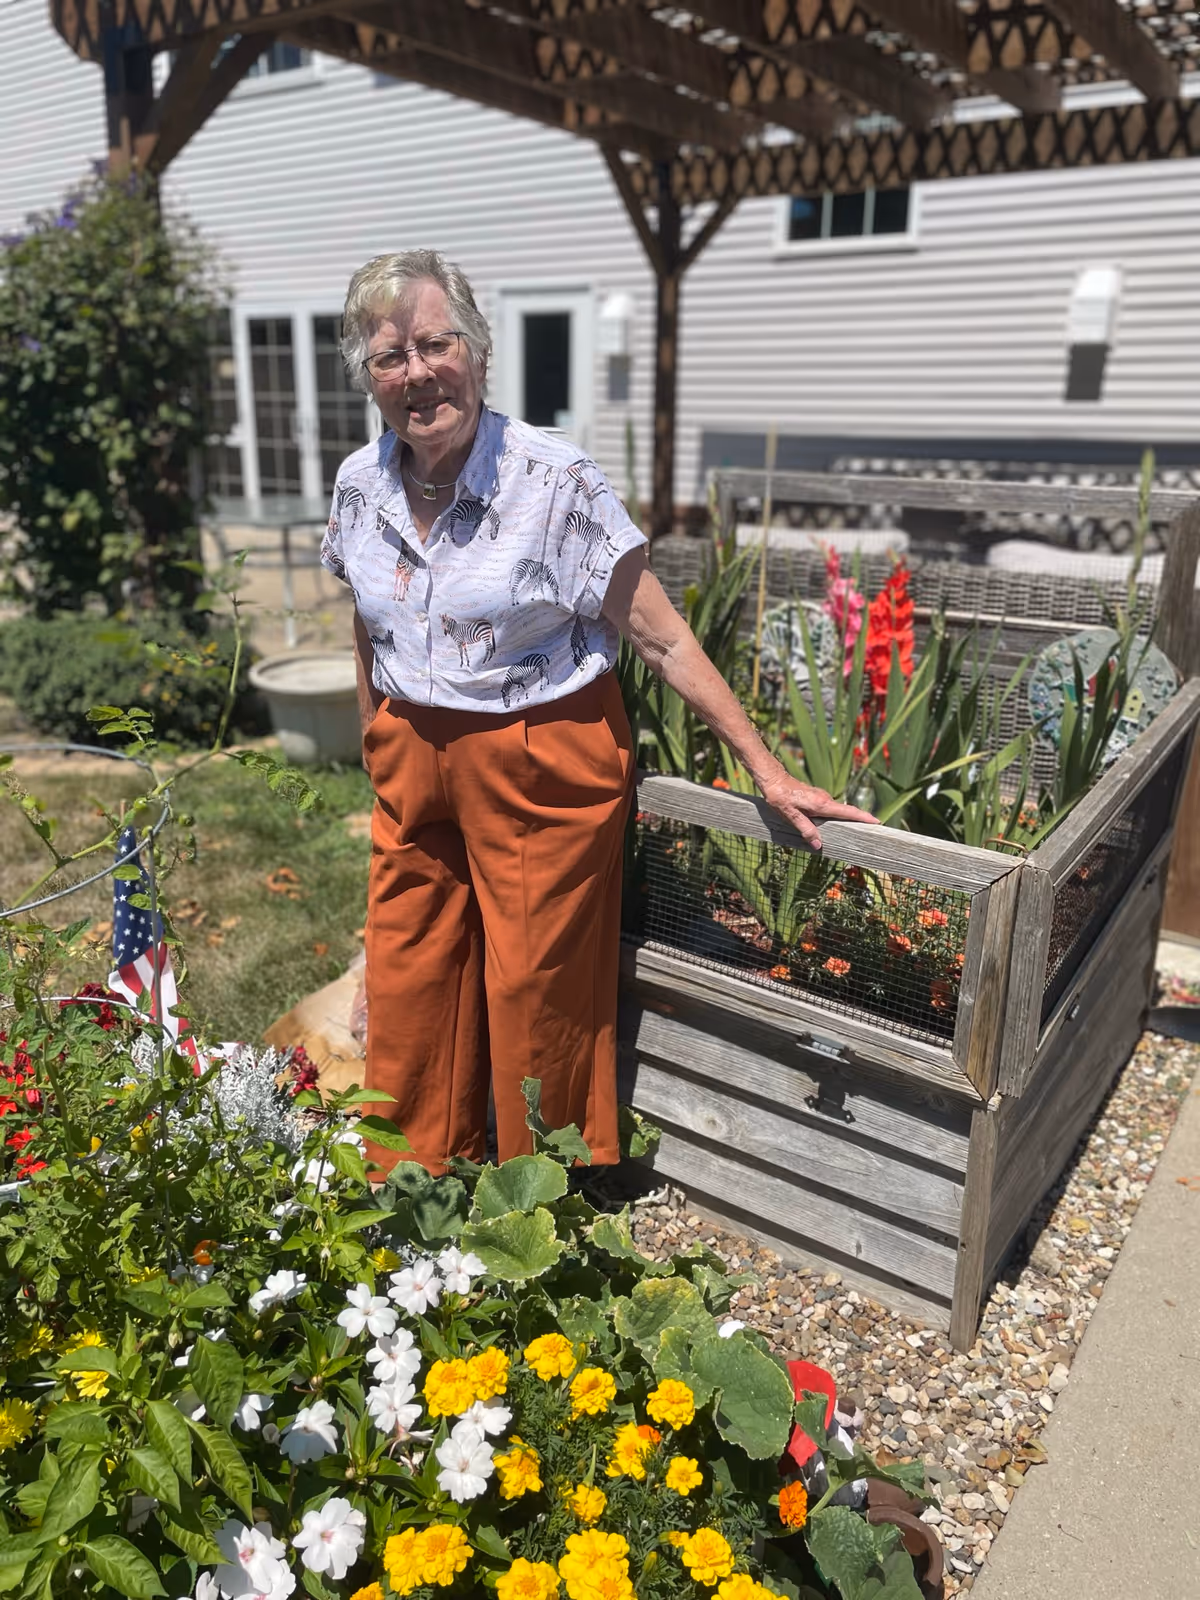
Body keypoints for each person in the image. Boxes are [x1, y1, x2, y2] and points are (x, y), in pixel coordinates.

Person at [321, 249, 876, 1175]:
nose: (417, 373)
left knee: (536, 988)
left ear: (478, 350)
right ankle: (411, 1191)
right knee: (409, 969)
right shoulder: (359, 485)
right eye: (389, 357)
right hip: (412, 757)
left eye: (434, 343)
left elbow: (662, 640)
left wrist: (768, 771)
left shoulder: (555, 481)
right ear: (369, 380)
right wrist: (377, 741)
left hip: (538, 755)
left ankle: (538, 1202)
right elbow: (368, 624)